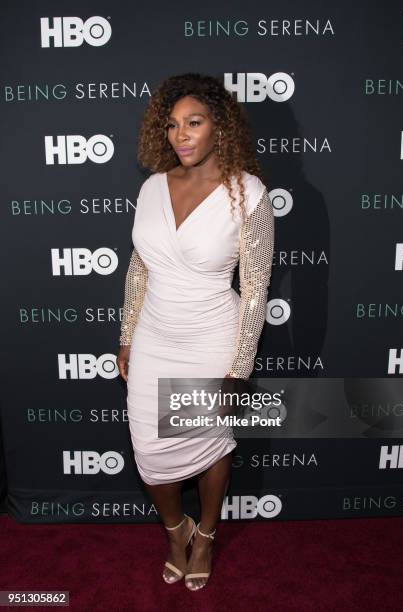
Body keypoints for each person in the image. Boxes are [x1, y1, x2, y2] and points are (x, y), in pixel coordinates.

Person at [116, 73, 274, 591]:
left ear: (220, 129)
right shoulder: (151, 186)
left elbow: (255, 289)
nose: (180, 135)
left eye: (194, 122)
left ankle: (204, 533)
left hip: (212, 340)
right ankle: (173, 528)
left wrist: (240, 366)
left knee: (211, 444)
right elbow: (139, 268)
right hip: (155, 336)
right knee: (151, 455)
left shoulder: (247, 193)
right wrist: (126, 335)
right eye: (172, 125)